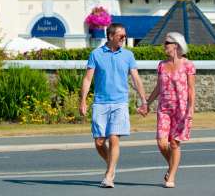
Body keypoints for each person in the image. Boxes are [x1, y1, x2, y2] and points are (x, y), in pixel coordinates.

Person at [79, 23, 149, 188]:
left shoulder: (128, 55)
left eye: (125, 36)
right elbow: (88, 79)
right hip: (100, 103)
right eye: (121, 36)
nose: (124, 39)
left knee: (114, 138)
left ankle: (109, 175)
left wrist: (144, 100)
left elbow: (136, 79)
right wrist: (83, 101)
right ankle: (112, 163)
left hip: (120, 103)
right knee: (99, 142)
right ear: (110, 36)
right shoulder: (95, 54)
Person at [146, 32, 196, 188]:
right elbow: (159, 87)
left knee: (174, 143)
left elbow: (191, 89)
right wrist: (147, 103)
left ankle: (171, 176)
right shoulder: (161, 65)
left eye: (167, 43)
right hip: (164, 109)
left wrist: (191, 109)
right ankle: (172, 165)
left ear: (176, 45)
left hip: (181, 109)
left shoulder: (188, 65)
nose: (164, 46)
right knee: (161, 142)